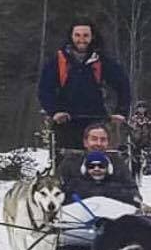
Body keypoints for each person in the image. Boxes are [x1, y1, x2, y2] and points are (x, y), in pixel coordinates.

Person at [38, 20, 131, 152]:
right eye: (77, 35)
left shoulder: (102, 60)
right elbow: (45, 89)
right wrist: (54, 111)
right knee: (67, 164)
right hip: (66, 122)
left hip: (97, 121)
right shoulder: (58, 62)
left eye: (85, 35)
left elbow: (123, 85)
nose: (81, 39)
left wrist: (121, 112)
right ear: (71, 36)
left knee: (98, 163)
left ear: (92, 37)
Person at [57, 122, 141, 206]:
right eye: (94, 139)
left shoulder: (118, 164)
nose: (98, 143)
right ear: (85, 142)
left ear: (108, 143)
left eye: (103, 140)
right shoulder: (70, 163)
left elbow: (134, 194)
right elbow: (58, 192)